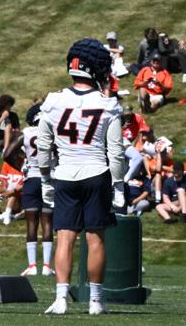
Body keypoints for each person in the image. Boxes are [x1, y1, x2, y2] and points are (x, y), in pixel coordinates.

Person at [37, 38, 125, 316]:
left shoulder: (53, 101)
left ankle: (61, 298)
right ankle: (96, 301)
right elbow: (116, 151)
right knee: (95, 239)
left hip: (64, 173)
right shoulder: (107, 104)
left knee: (64, 238)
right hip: (96, 172)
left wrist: (44, 179)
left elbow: (42, 146)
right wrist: (119, 184)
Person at [19, 104, 54, 276]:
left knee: (31, 223)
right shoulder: (52, 131)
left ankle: (32, 266)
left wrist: (21, 165)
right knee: (47, 222)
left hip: (31, 177)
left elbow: (7, 153)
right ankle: (46, 266)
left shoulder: (26, 132)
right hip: (49, 179)